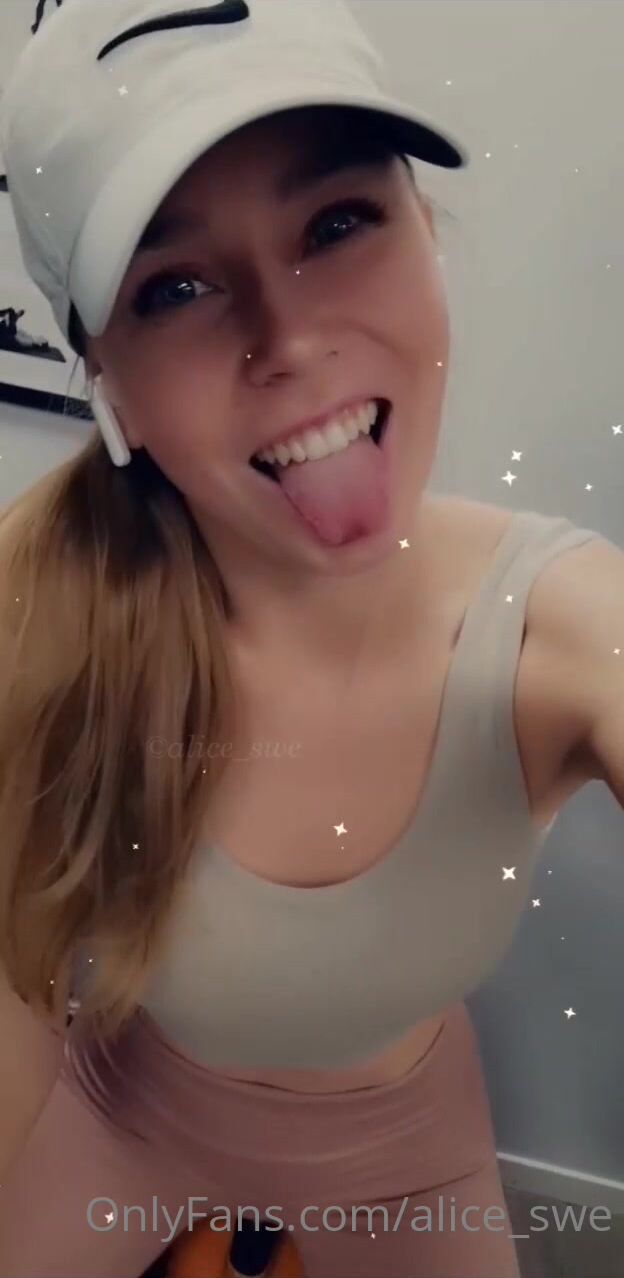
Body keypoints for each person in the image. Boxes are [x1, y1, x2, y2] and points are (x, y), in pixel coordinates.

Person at [0, 2, 602, 1276]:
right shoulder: (35, 618)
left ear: (425, 229)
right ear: (106, 385)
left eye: (337, 223)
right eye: (175, 287)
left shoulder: (558, 628)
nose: (291, 340)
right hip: (117, 1121)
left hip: (404, 1155)